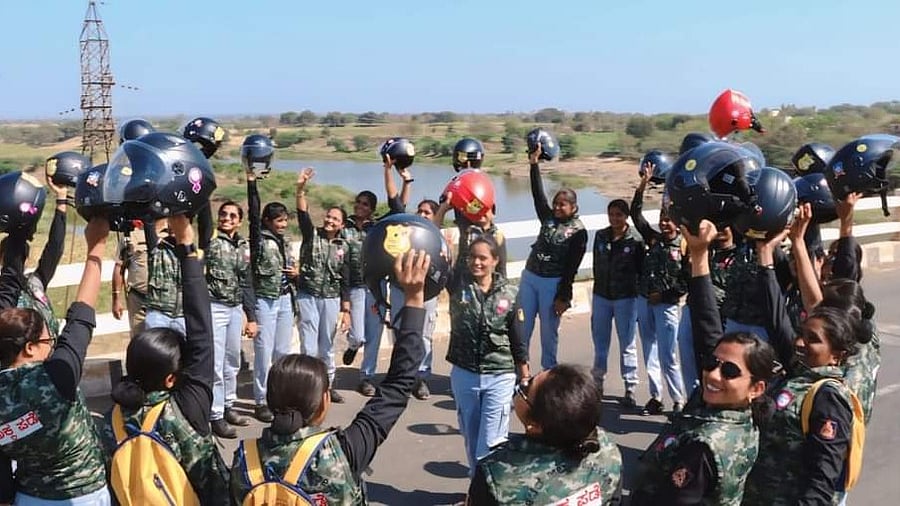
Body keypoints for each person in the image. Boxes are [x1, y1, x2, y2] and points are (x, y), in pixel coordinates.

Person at [230, 249, 430, 505]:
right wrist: (414, 297)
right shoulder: (342, 452)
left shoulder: (244, 461)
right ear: (324, 402)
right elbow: (397, 387)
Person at [630, 220, 778, 506]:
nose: (713, 374)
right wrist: (699, 257)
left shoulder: (704, 447)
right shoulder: (741, 414)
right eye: (712, 363)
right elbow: (709, 326)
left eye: (730, 371)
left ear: (757, 388)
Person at [102, 215, 229, 503]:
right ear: (171, 379)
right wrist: (188, 246)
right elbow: (202, 331)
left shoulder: (114, 418)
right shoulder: (186, 408)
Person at [741, 217, 864, 505]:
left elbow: (821, 483)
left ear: (837, 354)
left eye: (813, 340)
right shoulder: (799, 372)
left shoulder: (828, 397)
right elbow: (776, 321)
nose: (800, 343)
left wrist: (845, 221)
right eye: (802, 334)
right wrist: (765, 256)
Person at [0, 218, 110, 505]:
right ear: (29, 348)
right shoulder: (56, 379)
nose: (53, 348)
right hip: (83, 494)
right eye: (49, 341)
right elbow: (82, 315)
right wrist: (97, 247)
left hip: (29, 496)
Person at [444, 208, 530, 475]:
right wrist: (449, 208)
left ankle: (487, 490)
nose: (476, 263)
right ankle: (477, 486)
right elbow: (444, 250)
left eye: (483, 258)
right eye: (472, 257)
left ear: (495, 260)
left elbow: (517, 335)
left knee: (491, 442)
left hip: (500, 375)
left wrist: (524, 374)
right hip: (465, 374)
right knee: (471, 439)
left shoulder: (510, 292)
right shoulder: (458, 286)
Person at [468, 364, 622, 505]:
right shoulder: (608, 451)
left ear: (534, 425)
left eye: (527, 387)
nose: (522, 384)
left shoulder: (496, 476)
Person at [342, 156, 411, 397]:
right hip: (354, 288)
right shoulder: (344, 227)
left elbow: (399, 209)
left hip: (376, 287)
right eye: (358, 203)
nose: (360, 207)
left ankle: (367, 376)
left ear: (371, 209)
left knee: (374, 334)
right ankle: (353, 345)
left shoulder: (378, 228)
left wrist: (395, 175)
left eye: (365, 204)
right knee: (359, 335)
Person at [517, 144, 587, 371]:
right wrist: (534, 164)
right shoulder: (547, 218)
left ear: (573, 207)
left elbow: (572, 268)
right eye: (555, 203)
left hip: (552, 283)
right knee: (522, 326)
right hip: (530, 278)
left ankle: (549, 370)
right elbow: (538, 195)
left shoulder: (578, 232)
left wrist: (563, 295)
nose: (556, 207)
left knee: (549, 331)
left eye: (562, 205)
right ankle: (520, 371)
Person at [631, 169, 687, 414]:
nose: (665, 223)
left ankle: (678, 399)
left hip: (667, 307)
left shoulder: (684, 245)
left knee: (668, 355)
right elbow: (635, 215)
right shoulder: (653, 239)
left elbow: (685, 283)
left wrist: (663, 297)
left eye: (669, 219)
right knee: (649, 351)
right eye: (662, 219)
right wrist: (643, 184)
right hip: (644, 302)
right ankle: (656, 397)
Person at [295, 168, 351, 404]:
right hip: (308, 296)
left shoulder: (343, 246)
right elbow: (302, 213)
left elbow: (345, 278)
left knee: (327, 346)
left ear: (341, 225)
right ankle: (308, 388)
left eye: (335, 219)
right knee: (309, 347)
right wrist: (301, 188)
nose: (330, 220)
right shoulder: (312, 235)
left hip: (330, 298)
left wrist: (346, 309)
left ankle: (327, 386)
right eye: (328, 216)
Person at [247, 166, 296, 423]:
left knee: (282, 353)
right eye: (279, 220)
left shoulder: (284, 241)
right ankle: (261, 400)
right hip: (265, 301)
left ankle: (279, 396)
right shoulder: (259, 239)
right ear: (267, 221)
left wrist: (296, 273)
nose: (283, 224)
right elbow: (252, 215)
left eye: (285, 220)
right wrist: (252, 183)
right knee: (264, 352)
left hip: (285, 299)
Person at [206, 200, 256, 438]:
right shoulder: (211, 240)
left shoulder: (243, 245)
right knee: (216, 363)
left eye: (232, 215)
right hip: (215, 306)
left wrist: (251, 316)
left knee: (232, 360)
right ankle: (215, 414)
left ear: (239, 221)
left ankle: (228, 404)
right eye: (223, 214)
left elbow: (246, 281)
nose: (226, 218)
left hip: (235, 308)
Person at [590, 198, 643, 406]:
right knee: (600, 343)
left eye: (618, 215)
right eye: (611, 214)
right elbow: (596, 263)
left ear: (626, 216)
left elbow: (641, 270)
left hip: (626, 298)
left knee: (627, 343)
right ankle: (597, 382)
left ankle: (630, 386)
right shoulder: (601, 236)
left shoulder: (635, 240)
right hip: (601, 296)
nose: (614, 219)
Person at [10, 173, 69, 340]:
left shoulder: (35, 283)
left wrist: (61, 199)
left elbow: (54, 247)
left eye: (24, 256)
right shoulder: (4, 293)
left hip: (49, 353)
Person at [412, 198, 441, 400]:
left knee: (424, 335)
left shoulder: (438, 238)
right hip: (405, 290)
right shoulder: (409, 233)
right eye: (419, 211)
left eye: (427, 212)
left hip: (429, 291)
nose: (422, 215)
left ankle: (421, 376)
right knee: (403, 333)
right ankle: (404, 375)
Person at [143, 218, 187, 333]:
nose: (174, 226)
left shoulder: (191, 253)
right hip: (158, 314)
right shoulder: (156, 248)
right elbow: (148, 221)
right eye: (171, 222)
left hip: (183, 316)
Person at [112, 223, 154, 338]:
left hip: (164, 302)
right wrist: (116, 299)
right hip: (138, 301)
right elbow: (119, 267)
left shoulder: (170, 231)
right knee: (138, 340)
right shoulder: (129, 235)